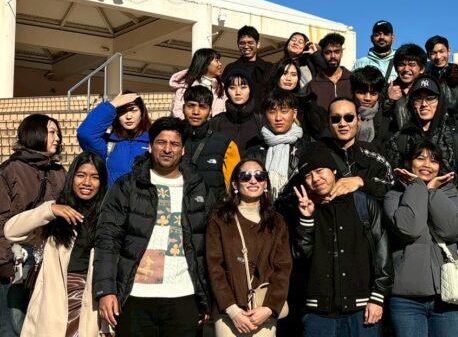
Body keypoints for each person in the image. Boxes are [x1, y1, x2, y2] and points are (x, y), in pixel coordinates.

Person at [94, 117, 216, 337]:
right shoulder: (127, 186)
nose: (167, 149)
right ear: (150, 146)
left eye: (174, 144)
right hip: (136, 296)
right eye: (161, 142)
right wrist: (106, 290)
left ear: (183, 150)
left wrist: (206, 296)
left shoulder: (198, 189)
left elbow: (210, 246)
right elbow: (107, 239)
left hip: (184, 295)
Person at [291, 143, 393, 337]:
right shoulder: (304, 209)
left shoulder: (364, 203)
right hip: (318, 314)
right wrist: (306, 219)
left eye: (320, 171)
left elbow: (383, 254)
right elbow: (301, 258)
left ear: (334, 170)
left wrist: (378, 297)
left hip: (362, 311)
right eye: (308, 175)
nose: (315, 179)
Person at [4, 152, 109, 337]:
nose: (87, 182)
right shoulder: (56, 212)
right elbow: (11, 231)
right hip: (53, 300)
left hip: (89, 300)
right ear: (71, 177)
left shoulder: (108, 216)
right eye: (81, 175)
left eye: (94, 177)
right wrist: (50, 210)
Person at [383, 141, 458, 337]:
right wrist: (417, 186)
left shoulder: (450, 194)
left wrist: (432, 191)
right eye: (420, 158)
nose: (427, 164)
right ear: (409, 163)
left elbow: (453, 229)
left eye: (434, 160)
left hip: (450, 296)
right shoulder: (394, 196)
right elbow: (409, 228)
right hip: (407, 301)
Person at [206, 159, 292, 337]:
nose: (253, 180)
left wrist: (269, 308)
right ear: (235, 184)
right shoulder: (220, 219)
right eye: (245, 176)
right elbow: (214, 267)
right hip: (229, 312)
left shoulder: (277, 222)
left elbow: (283, 268)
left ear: (265, 183)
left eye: (259, 176)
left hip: (263, 310)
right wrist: (232, 310)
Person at [0, 114, 67, 337]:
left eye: (57, 132)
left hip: (49, 254)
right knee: (13, 323)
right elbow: (1, 218)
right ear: (34, 133)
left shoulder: (58, 171)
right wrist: (4, 261)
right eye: (51, 132)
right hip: (18, 257)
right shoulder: (10, 170)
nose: (57, 138)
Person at [385, 75, 458, 203]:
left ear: (440, 101)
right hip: (410, 208)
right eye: (418, 99)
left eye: (430, 98)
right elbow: (392, 181)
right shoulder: (399, 139)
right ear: (411, 103)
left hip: (448, 210)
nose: (424, 104)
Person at [321, 98, 393, 200]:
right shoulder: (317, 154)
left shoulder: (372, 154)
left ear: (358, 120)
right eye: (335, 119)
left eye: (349, 118)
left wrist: (361, 182)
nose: (342, 124)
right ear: (328, 122)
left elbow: (391, 184)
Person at [77, 92, 151, 186]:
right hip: (114, 195)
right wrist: (112, 105)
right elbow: (85, 134)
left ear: (142, 113)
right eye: (122, 111)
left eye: (134, 110)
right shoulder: (108, 143)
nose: (128, 116)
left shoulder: (153, 142)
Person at [246, 90, 309, 198]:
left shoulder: (307, 149)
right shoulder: (253, 152)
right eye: (272, 112)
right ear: (265, 115)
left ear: (294, 114)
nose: (278, 118)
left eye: (284, 111)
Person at [182, 85, 240, 198]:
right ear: (183, 108)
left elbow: (233, 189)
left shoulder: (225, 144)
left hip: (213, 207)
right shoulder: (171, 140)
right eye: (191, 106)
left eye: (202, 107)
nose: (196, 112)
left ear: (210, 111)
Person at [209, 70, 263, 156]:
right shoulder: (216, 121)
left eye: (243, 87)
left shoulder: (261, 121)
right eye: (232, 88)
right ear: (226, 91)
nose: (238, 92)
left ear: (250, 90)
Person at [270, 58, 327, 139]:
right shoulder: (268, 101)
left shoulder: (304, 100)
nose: (289, 78)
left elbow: (319, 128)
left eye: (293, 74)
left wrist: (310, 103)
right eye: (284, 73)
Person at [223, 26, 274, 106]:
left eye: (250, 43)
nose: (246, 46)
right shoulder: (230, 68)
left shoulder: (269, 68)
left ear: (258, 44)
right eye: (242, 43)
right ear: (238, 45)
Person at [170, 48, 227, 118]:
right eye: (217, 60)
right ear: (205, 63)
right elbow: (178, 112)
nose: (220, 64)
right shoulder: (185, 86)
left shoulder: (221, 87)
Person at [383, 43, 427, 131]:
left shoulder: (429, 90)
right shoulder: (385, 90)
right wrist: (389, 101)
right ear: (395, 68)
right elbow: (379, 121)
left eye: (412, 64)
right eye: (401, 64)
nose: (406, 69)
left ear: (422, 69)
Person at [350, 66, 396, 149]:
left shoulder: (386, 122)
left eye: (373, 94)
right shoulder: (342, 117)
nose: (368, 98)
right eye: (362, 93)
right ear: (352, 92)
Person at [424, 35, 458, 114]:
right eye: (433, 53)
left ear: (449, 51)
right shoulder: (423, 77)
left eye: (441, 51)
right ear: (428, 55)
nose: (438, 57)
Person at [308, 33, 353, 111]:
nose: (333, 56)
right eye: (328, 52)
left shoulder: (353, 79)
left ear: (342, 53)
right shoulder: (312, 85)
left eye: (337, 52)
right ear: (322, 54)